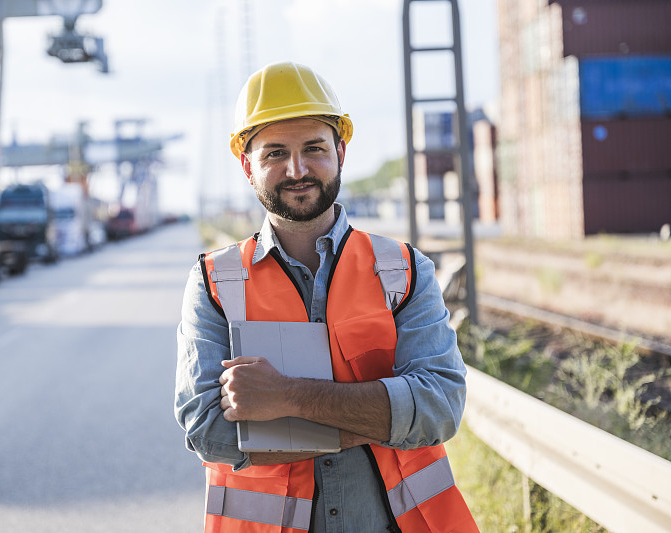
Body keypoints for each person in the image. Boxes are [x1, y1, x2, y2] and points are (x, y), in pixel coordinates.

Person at [175, 61, 478, 533]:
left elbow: (440, 409)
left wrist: (285, 397)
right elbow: (208, 431)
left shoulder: (401, 268)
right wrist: (382, 419)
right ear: (246, 165)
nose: (297, 169)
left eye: (314, 148)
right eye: (275, 152)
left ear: (340, 151)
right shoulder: (215, 281)